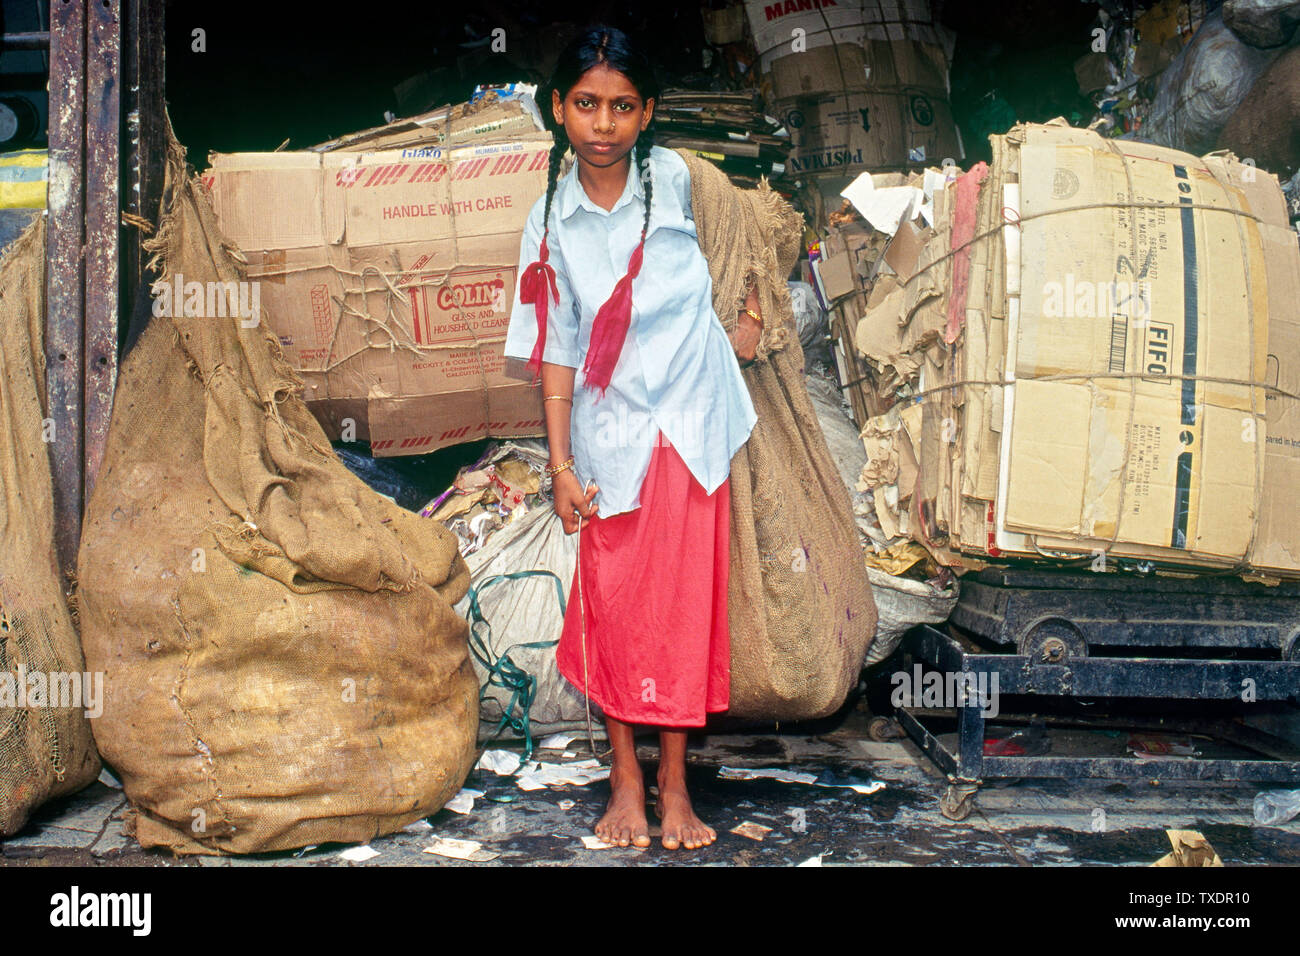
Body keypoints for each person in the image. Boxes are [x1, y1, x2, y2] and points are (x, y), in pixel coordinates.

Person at [502, 25, 764, 851]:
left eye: (621, 106)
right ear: (558, 110)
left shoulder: (683, 180)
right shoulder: (548, 222)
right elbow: (556, 349)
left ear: (648, 113)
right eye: (586, 104)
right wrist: (562, 467)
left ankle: (677, 785)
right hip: (610, 438)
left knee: (682, 612)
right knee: (615, 607)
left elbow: (752, 238)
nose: (603, 124)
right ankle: (624, 776)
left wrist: (753, 316)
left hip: (692, 427)